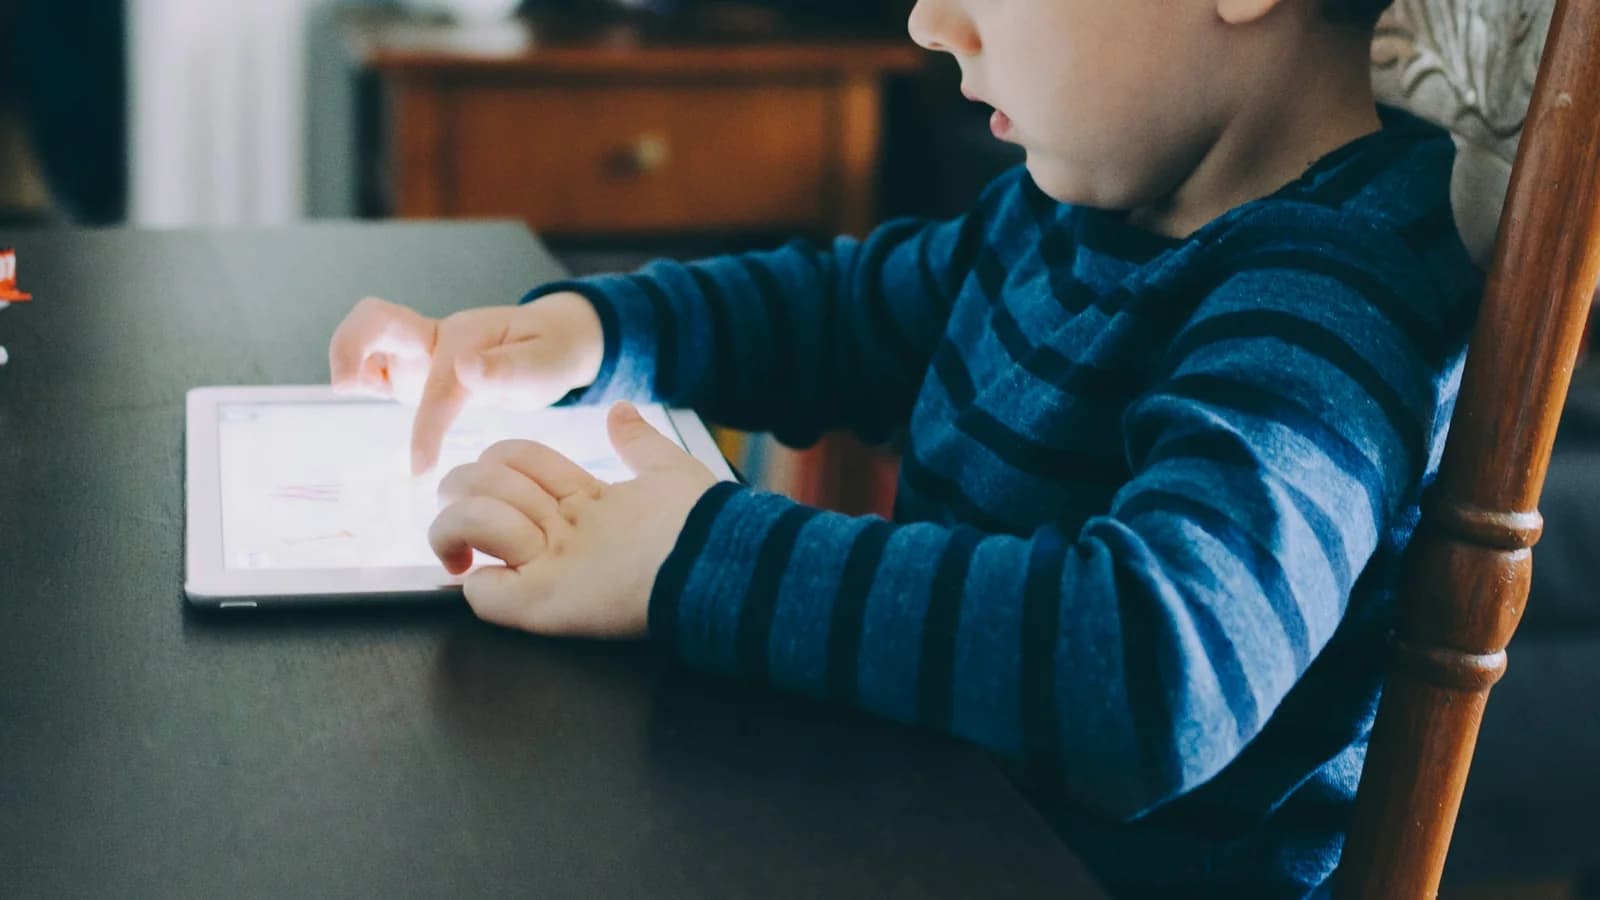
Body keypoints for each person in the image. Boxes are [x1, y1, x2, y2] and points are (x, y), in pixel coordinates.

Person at [327, 0, 1482, 895]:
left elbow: (1155, 668)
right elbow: (843, 313)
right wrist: (590, 333)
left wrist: (694, 550)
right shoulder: (1077, 211)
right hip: (929, 824)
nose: (931, 22)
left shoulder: (1333, 297)